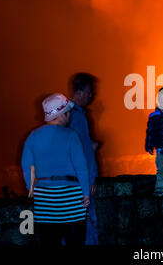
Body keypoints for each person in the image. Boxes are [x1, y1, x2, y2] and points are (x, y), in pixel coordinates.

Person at [21, 93, 90, 245]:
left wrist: (31, 188)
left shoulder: (33, 136)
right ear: (62, 114)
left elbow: (27, 166)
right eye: (68, 111)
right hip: (72, 203)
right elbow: (81, 167)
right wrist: (86, 192)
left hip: (45, 203)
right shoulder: (71, 136)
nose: (70, 114)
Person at [69, 72, 100, 245]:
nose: (91, 95)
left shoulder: (67, 114)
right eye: (89, 91)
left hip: (72, 182)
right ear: (79, 92)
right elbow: (82, 152)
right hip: (81, 184)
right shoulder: (77, 116)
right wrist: (89, 180)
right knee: (87, 226)